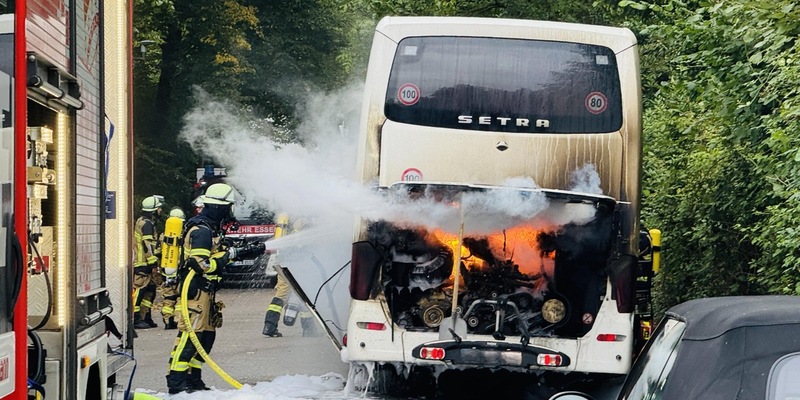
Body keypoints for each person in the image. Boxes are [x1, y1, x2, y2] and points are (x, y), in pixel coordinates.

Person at [166, 183, 265, 394]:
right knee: (190, 338)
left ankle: (194, 381)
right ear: (219, 207)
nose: (230, 212)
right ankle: (176, 384)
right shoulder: (201, 230)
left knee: (206, 338)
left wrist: (246, 251)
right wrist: (230, 255)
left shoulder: (210, 229)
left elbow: (218, 256)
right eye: (228, 207)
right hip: (195, 292)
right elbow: (201, 264)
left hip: (207, 293)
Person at [133, 195, 164, 329]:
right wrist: (153, 263)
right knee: (140, 292)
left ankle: (145, 317)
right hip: (143, 264)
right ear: (154, 210)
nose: (160, 210)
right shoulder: (147, 224)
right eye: (159, 208)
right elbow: (148, 245)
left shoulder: (142, 221)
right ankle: (135, 319)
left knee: (150, 291)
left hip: (143, 262)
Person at [157, 206, 186, 330]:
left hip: (167, 269)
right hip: (179, 269)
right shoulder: (184, 235)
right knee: (180, 296)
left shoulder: (163, 235)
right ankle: (179, 320)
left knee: (168, 297)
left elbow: (158, 251)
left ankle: (168, 320)